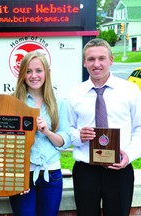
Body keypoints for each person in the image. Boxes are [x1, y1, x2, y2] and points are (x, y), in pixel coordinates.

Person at [67, 38, 141, 216]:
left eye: (101, 58)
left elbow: (139, 129)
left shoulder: (130, 91)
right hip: (86, 170)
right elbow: (67, 129)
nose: (96, 64)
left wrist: (129, 156)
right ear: (84, 62)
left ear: (111, 60)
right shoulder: (75, 94)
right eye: (91, 59)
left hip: (119, 170)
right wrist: (79, 135)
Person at [9, 51, 71, 216]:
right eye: (28, 71)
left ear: (46, 73)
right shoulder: (11, 102)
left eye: (38, 70)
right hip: (21, 174)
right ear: (22, 73)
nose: (33, 75)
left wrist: (47, 132)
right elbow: (3, 140)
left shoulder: (59, 103)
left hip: (51, 174)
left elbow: (65, 140)